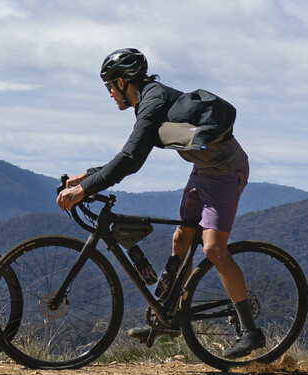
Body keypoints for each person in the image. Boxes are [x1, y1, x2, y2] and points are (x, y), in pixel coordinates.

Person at [56, 48, 263, 358]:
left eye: (110, 87)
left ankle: (251, 332)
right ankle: (169, 317)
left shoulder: (152, 102)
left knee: (213, 249)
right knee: (181, 238)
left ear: (123, 82)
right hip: (204, 171)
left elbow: (129, 160)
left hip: (226, 171)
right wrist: (85, 177)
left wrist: (84, 190)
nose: (110, 94)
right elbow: (130, 155)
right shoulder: (149, 103)